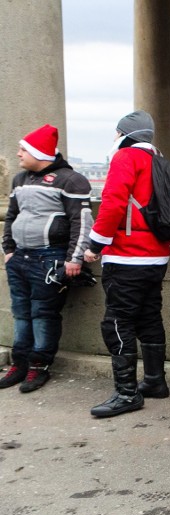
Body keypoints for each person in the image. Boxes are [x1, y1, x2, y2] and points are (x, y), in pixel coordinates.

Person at [84, 111, 170, 418]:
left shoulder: (126, 158)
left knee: (117, 322)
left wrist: (95, 244)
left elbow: (112, 203)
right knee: (149, 316)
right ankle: (154, 381)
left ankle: (126, 393)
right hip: (157, 254)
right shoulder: (160, 160)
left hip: (127, 255)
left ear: (124, 134)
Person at [0, 124, 93, 392]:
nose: (18, 154)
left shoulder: (71, 180)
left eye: (23, 149)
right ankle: (20, 364)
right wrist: (8, 250)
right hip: (20, 258)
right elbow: (12, 217)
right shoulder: (19, 180)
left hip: (49, 258)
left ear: (38, 152)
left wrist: (75, 259)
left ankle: (38, 367)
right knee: (21, 313)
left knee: (43, 314)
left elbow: (82, 222)